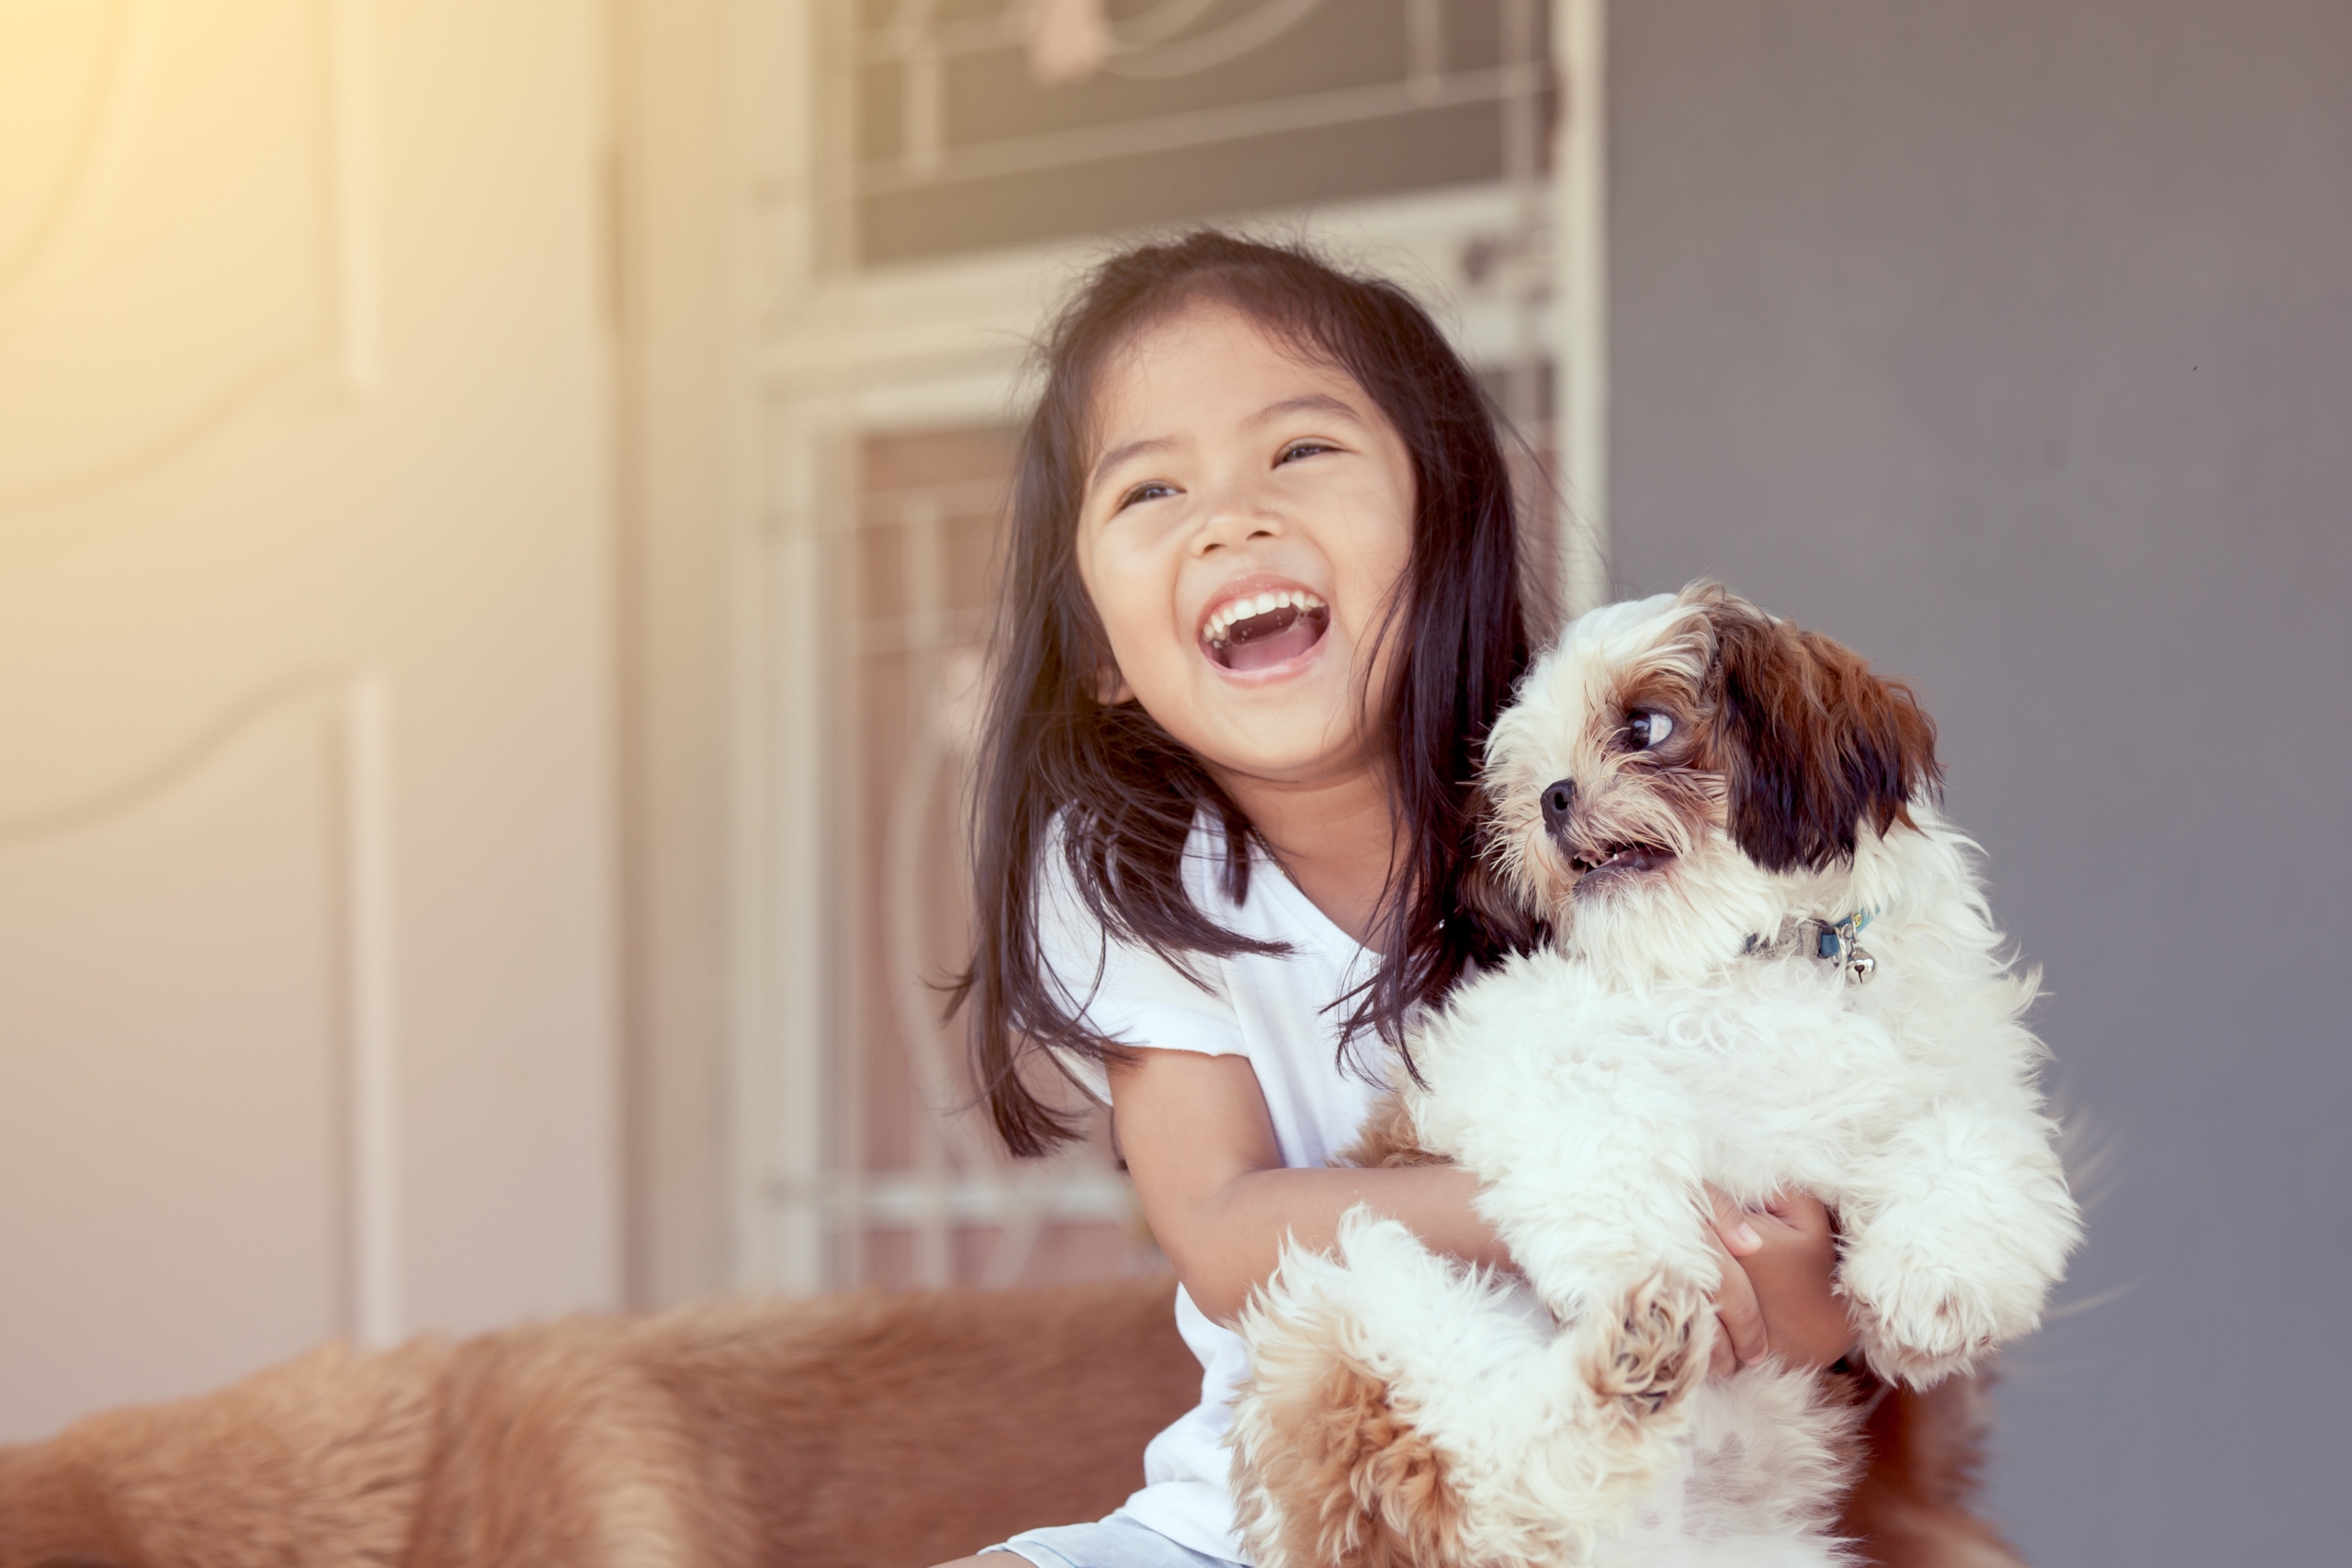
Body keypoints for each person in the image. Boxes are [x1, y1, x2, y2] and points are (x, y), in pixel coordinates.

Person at [933, 232, 1854, 1568]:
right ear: (1099, 655)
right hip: (1283, 1517)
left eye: (1300, 452)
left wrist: (1758, 1264)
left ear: (1444, 526)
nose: (1230, 518)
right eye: (1150, 491)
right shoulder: (1129, 866)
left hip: (1608, 1515)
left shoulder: (1600, 814)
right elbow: (1224, 1230)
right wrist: (1566, 1210)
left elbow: (1817, 1301)